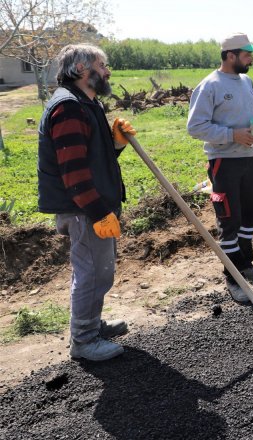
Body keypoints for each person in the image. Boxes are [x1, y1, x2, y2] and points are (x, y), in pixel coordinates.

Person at [37, 44, 136, 361]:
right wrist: (98, 213)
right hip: (83, 209)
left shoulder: (87, 104)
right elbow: (74, 173)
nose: (107, 71)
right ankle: (83, 340)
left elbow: (93, 159)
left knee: (99, 272)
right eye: (102, 64)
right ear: (81, 70)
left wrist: (116, 145)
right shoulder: (68, 108)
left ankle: (92, 325)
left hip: (90, 205)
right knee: (93, 273)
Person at [187, 33, 253, 303]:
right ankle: (232, 277)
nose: (251, 59)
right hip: (223, 163)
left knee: (249, 215)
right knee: (229, 220)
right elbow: (195, 127)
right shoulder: (209, 85)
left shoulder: (247, 81)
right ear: (231, 55)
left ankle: (245, 264)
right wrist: (233, 135)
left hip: (248, 158)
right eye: (247, 54)